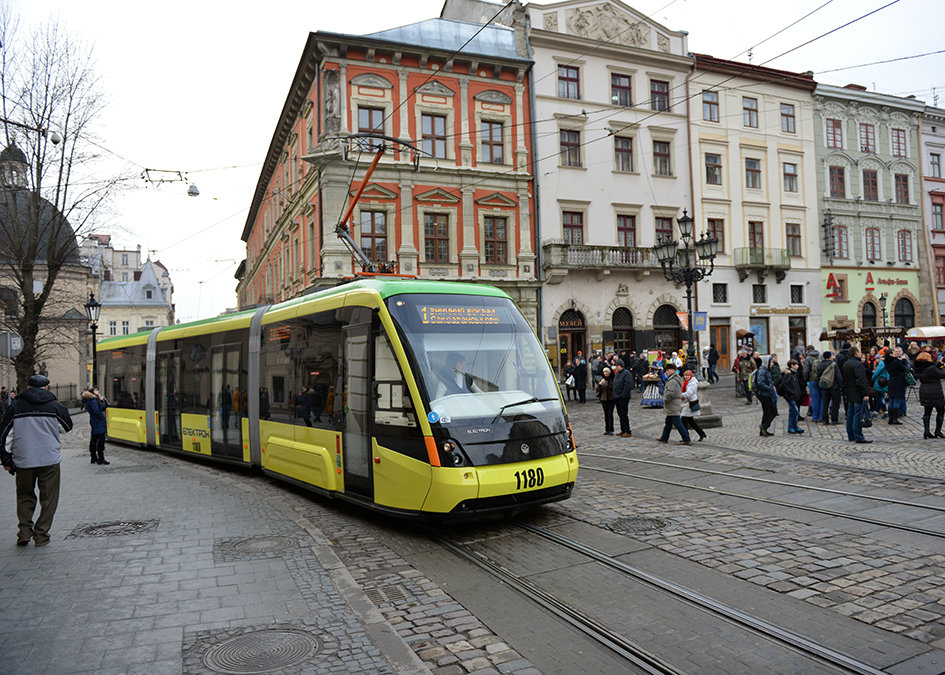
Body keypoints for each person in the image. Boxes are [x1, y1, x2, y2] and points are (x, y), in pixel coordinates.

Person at [0, 374, 73, 547]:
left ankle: (24, 531)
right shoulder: (55, 406)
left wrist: (6, 460)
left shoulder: (15, 407)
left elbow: (5, 437)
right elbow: (66, 427)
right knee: (49, 499)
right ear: (47, 387)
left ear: (28, 388)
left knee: (24, 496)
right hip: (49, 459)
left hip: (24, 459)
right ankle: (41, 534)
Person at [840, 346, 871, 443]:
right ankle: (858, 436)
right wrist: (865, 393)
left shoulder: (846, 364)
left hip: (849, 392)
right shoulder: (858, 364)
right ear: (856, 353)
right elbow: (861, 381)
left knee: (850, 415)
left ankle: (851, 435)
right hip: (857, 393)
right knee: (857, 415)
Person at [658, 362, 691, 445]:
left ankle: (686, 438)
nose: (667, 372)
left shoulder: (673, 380)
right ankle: (664, 437)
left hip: (672, 403)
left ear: (673, 371)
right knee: (668, 422)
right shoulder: (674, 379)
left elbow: (671, 392)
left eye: (668, 370)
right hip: (673, 403)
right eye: (666, 371)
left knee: (677, 422)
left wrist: (665, 399)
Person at [915, 351, 945, 439]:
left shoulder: (919, 368)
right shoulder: (931, 368)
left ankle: (926, 431)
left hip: (924, 390)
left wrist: (939, 364)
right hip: (935, 391)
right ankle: (938, 431)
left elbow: (931, 369)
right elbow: (942, 375)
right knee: (940, 411)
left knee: (927, 412)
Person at [82, 387, 110, 464]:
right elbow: (96, 410)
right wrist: (102, 416)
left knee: (94, 439)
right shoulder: (93, 400)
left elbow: (103, 406)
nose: (98, 391)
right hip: (98, 421)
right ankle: (100, 458)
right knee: (100, 440)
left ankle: (94, 457)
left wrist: (102, 400)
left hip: (95, 421)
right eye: (96, 390)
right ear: (93, 392)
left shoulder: (92, 399)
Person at [884, 346, 910, 425]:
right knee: (896, 401)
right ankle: (894, 419)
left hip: (891, 382)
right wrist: (903, 360)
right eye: (895, 352)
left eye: (899, 351)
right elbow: (905, 369)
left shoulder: (888, 361)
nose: (897, 353)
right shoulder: (896, 361)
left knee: (891, 400)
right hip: (898, 382)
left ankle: (890, 418)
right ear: (891, 354)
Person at [679, 369, 706, 441]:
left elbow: (689, 394)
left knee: (683, 420)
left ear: (690, 376)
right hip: (689, 403)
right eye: (685, 375)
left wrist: (679, 395)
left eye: (687, 375)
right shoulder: (687, 382)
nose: (686, 377)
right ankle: (701, 433)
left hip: (690, 403)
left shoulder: (692, 383)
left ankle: (686, 437)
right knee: (691, 421)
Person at [817, 351, 842, 425]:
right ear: (829, 356)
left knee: (825, 403)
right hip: (834, 386)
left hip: (825, 387)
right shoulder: (833, 364)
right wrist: (841, 385)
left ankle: (825, 419)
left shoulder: (820, 365)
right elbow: (838, 376)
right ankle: (834, 419)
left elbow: (818, 376)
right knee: (835, 403)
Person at [755, 355, 778, 436]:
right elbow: (760, 383)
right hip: (764, 394)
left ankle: (763, 430)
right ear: (767, 362)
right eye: (771, 362)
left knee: (767, 412)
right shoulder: (762, 370)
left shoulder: (767, 370)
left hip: (767, 394)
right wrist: (770, 388)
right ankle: (764, 426)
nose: (772, 364)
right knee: (773, 412)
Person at [780, 359, 805, 434]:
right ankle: (791, 427)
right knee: (795, 411)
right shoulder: (788, 374)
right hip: (790, 396)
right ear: (792, 365)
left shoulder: (794, 374)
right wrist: (791, 392)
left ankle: (794, 426)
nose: (798, 366)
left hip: (795, 396)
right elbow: (784, 385)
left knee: (793, 411)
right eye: (796, 365)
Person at [612, 360, 633, 437]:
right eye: (615, 366)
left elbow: (628, 385)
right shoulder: (617, 374)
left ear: (621, 366)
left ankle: (627, 430)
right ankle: (623, 430)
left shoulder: (626, 374)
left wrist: (623, 395)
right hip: (617, 397)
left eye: (617, 366)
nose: (616, 367)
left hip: (623, 398)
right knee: (620, 414)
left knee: (624, 414)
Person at [595, 366, 615, 435]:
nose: (605, 373)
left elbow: (613, 388)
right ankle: (607, 429)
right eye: (604, 372)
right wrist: (600, 385)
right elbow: (597, 389)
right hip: (604, 398)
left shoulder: (612, 379)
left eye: (606, 372)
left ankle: (611, 429)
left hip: (611, 398)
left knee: (610, 414)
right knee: (606, 414)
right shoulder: (601, 379)